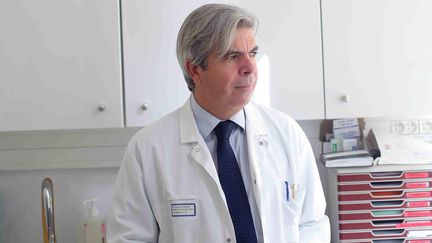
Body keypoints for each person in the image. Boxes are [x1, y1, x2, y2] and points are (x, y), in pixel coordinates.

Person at [107, 3, 330, 243]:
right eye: (232, 56)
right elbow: (129, 239)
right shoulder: (147, 150)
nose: (250, 67)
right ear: (195, 70)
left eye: (253, 53)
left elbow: (312, 224)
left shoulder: (287, 134)